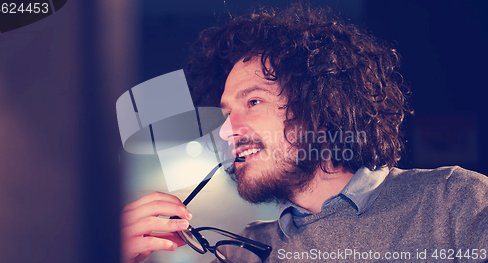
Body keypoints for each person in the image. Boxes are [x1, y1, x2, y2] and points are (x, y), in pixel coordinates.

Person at [121, 3, 488, 263]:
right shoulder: (242, 252)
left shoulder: (454, 202)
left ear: (322, 108)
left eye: (252, 102)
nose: (227, 132)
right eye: (226, 114)